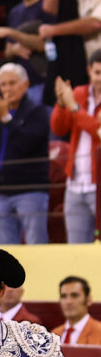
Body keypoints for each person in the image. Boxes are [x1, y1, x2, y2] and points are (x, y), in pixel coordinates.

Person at [0, 66, 51, 245]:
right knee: (6, 252)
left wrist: (5, 117)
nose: (7, 89)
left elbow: (27, 144)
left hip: (31, 192)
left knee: (36, 246)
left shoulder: (36, 111)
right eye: (3, 85)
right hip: (2, 193)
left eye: (12, 83)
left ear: (25, 84)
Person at [51, 66, 101, 245]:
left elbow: (99, 131)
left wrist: (73, 107)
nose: (99, 79)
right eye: (97, 73)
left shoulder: (75, 101)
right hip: (75, 183)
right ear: (88, 71)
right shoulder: (79, 93)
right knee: (76, 246)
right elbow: (58, 128)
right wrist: (61, 104)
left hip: (98, 185)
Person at [54, 275, 101, 343]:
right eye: (63, 296)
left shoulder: (99, 332)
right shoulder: (54, 334)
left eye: (74, 295)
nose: (68, 302)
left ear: (88, 300)